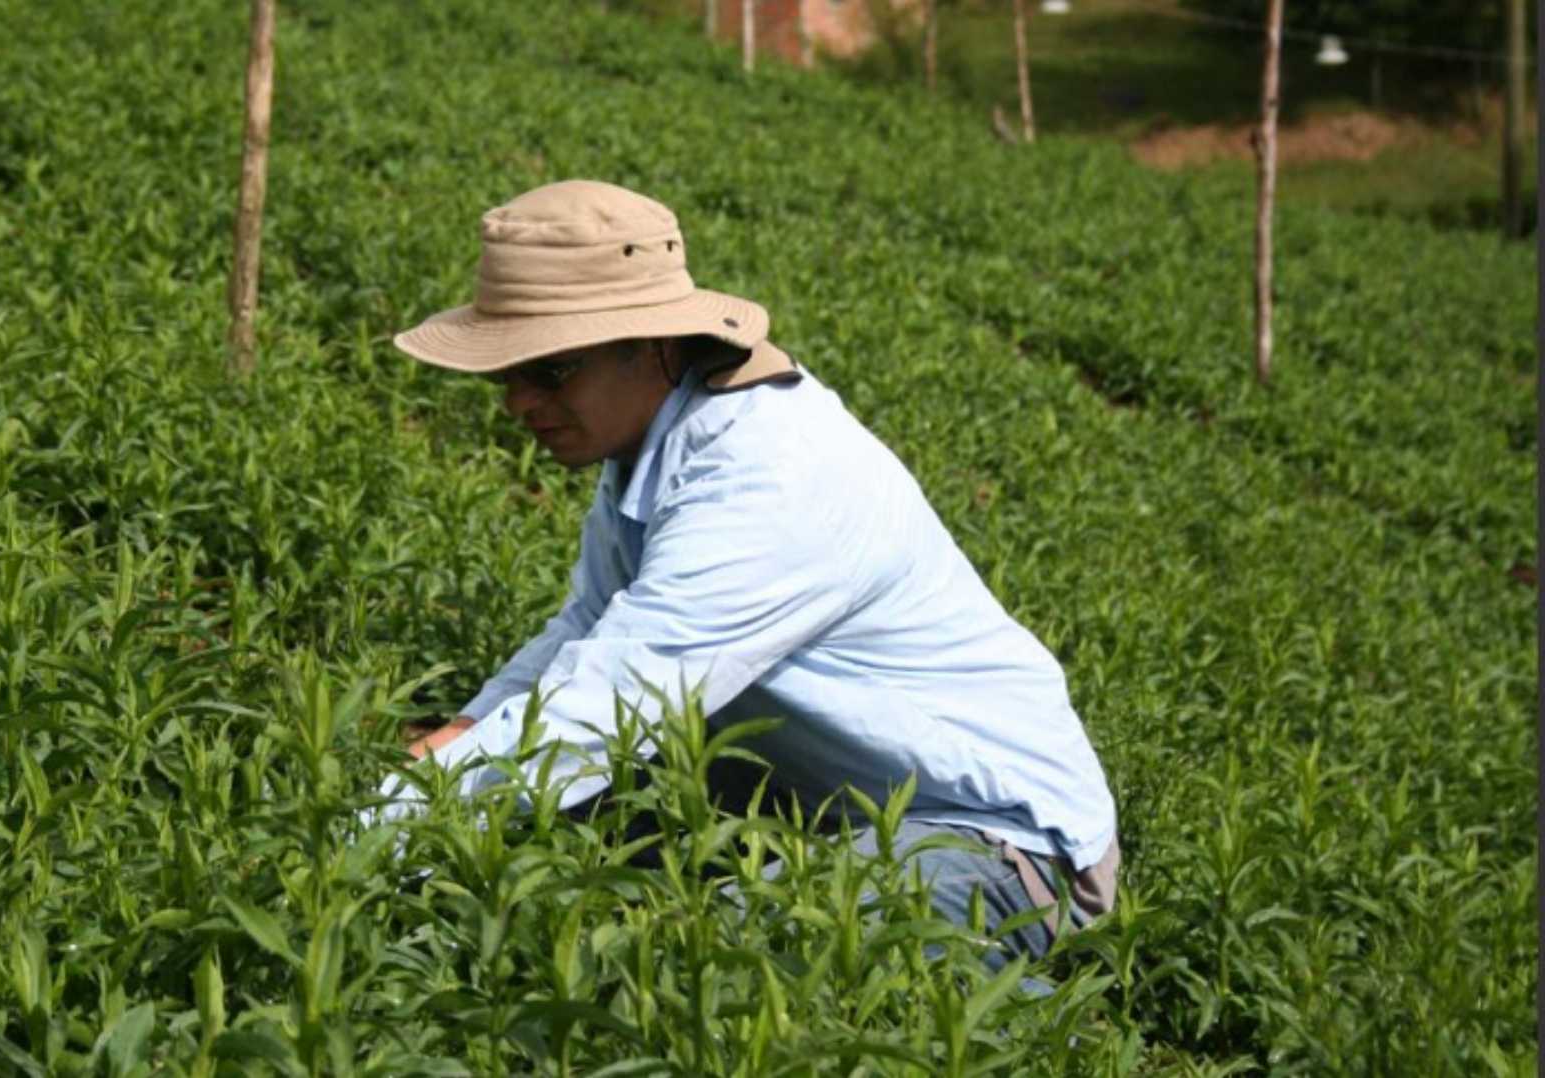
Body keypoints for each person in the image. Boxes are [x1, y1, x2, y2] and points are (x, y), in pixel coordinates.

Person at [386, 179, 1120, 969]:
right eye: (507, 376)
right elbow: (589, 628)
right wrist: (466, 728)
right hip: (820, 799)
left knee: (720, 965)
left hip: (993, 834)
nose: (518, 403)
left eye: (551, 370)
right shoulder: (655, 437)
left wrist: (361, 842)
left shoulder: (770, 475)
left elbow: (611, 701)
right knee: (542, 881)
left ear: (657, 342)